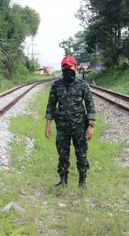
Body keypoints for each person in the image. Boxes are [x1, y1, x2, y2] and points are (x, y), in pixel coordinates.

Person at [45, 55, 96, 189]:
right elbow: (51, 105)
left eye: (69, 67)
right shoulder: (57, 86)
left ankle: (82, 182)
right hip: (62, 127)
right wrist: (48, 126)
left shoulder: (82, 85)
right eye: (64, 67)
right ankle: (63, 181)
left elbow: (90, 105)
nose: (67, 69)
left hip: (79, 127)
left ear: (75, 67)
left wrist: (90, 126)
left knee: (81, 154)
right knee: (62, 155)